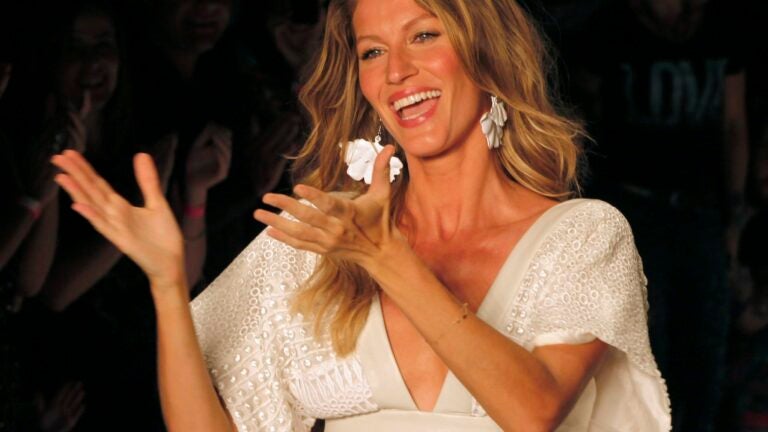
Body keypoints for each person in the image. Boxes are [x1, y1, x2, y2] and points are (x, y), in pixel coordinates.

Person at [51, 0, 671, 430]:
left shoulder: (583, 236)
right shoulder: (322, 233)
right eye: (372, 52)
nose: (397, 71)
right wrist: (166, 284)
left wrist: (386, 256)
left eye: (424, 36)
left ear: (486, 53)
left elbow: (533, 412)